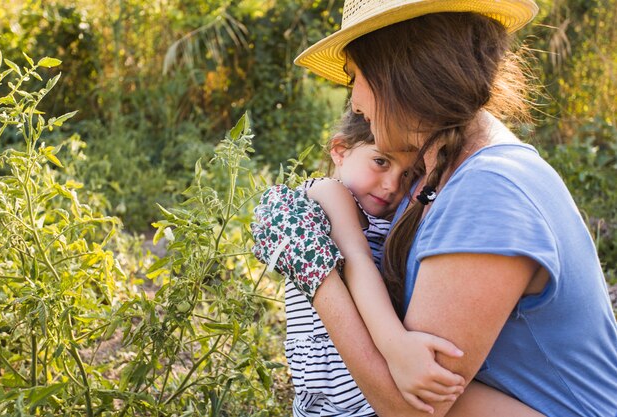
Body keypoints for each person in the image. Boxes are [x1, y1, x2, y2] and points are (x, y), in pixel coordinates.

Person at [253, 1, 617, 417]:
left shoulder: (487, 189)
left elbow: (410, 408)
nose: (354, 102)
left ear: (397, 72)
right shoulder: (442, 174)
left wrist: (314, 271)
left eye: (355, 77)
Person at [280, 108, 467, 416]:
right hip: (336, 390)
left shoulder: (391, 218)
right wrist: (397, 347)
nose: (392, 185)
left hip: (369, 388)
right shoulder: (328, 192)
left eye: (407, 174)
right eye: (381, 161)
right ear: (340, 151)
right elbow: (356, 258)